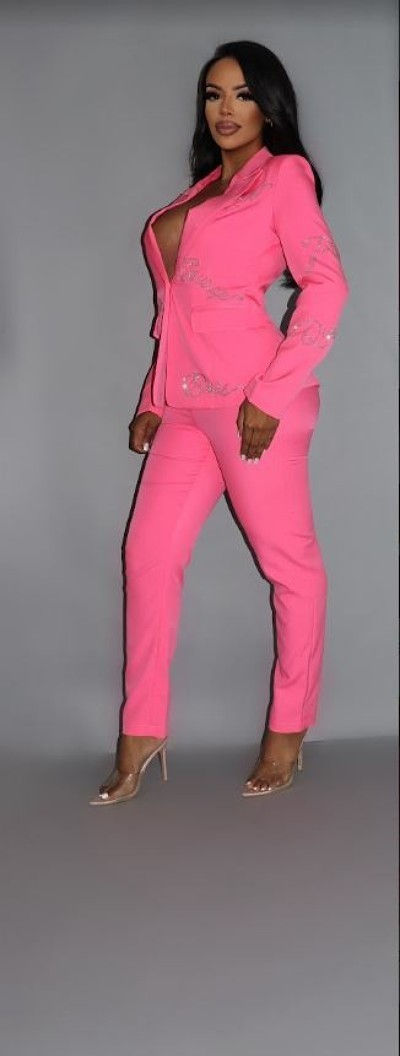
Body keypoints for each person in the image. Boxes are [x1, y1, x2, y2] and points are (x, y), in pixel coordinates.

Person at [89, 39, 349, 806]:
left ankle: (289, 729)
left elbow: (326, 287)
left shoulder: (284, 176)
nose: (225, 108)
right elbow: (177, 311)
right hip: (186, 405)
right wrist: (153, 396)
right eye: (213, 94)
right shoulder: (205, 188)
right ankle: (141, 732)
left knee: (289, 566)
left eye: (241, 94)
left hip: (253, 405)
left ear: (269, 104)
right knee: (147, 556)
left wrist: (271, 396)